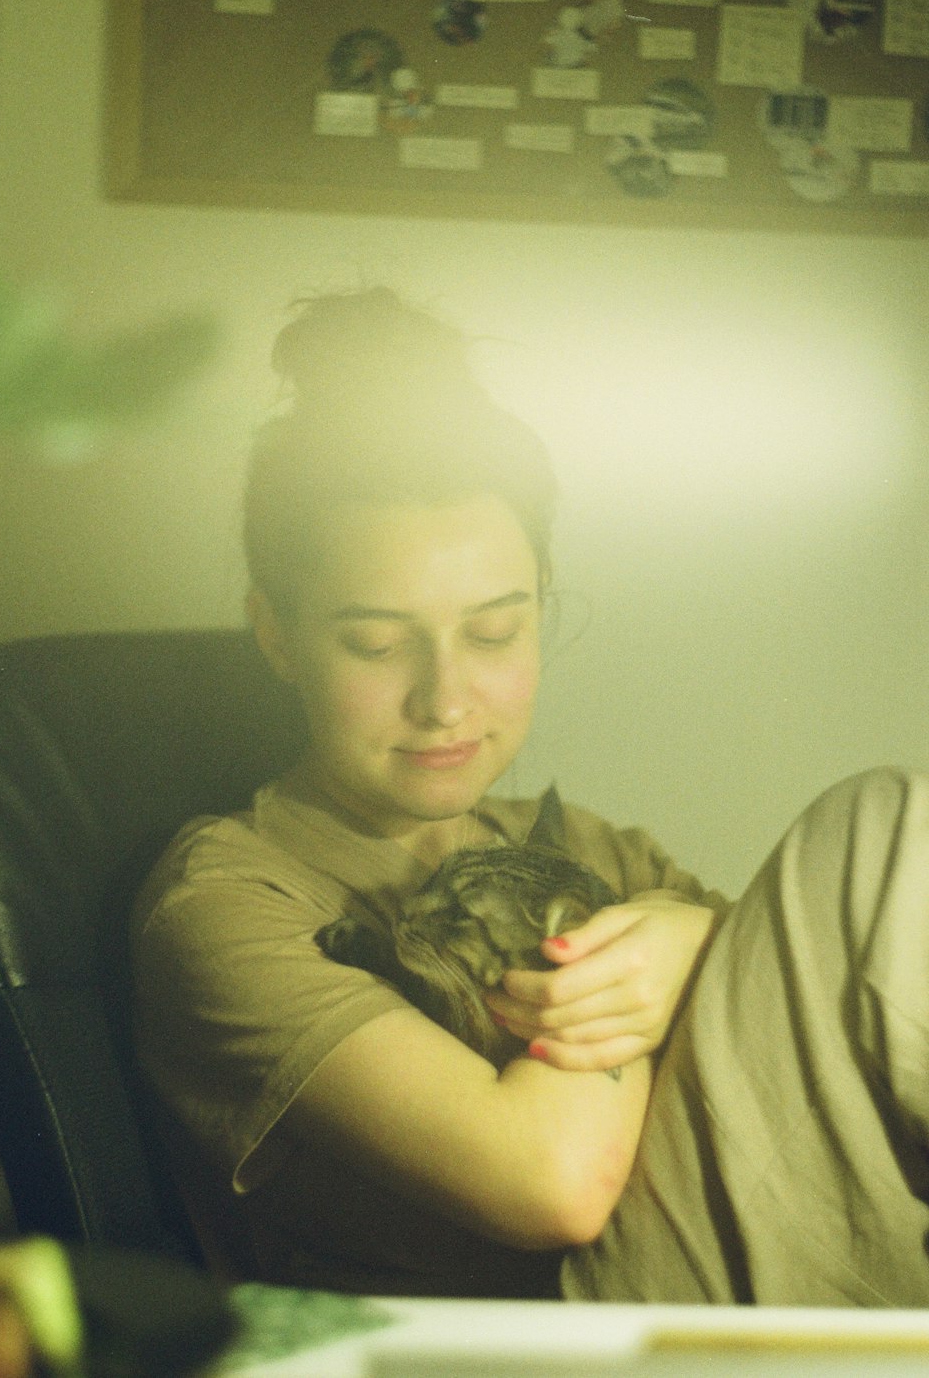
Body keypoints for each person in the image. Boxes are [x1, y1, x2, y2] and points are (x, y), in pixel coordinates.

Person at [130, 288, 929, 1306]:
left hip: (739, 1265)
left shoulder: (591, 842)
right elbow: (551, 1179)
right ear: (276, 633)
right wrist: (638, 943)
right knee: (876, 833)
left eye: (496, 630)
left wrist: (687, 936)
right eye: (376, 642)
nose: (445, 696)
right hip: (534, 1328)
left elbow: (800, 1005)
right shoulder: (225, 903)